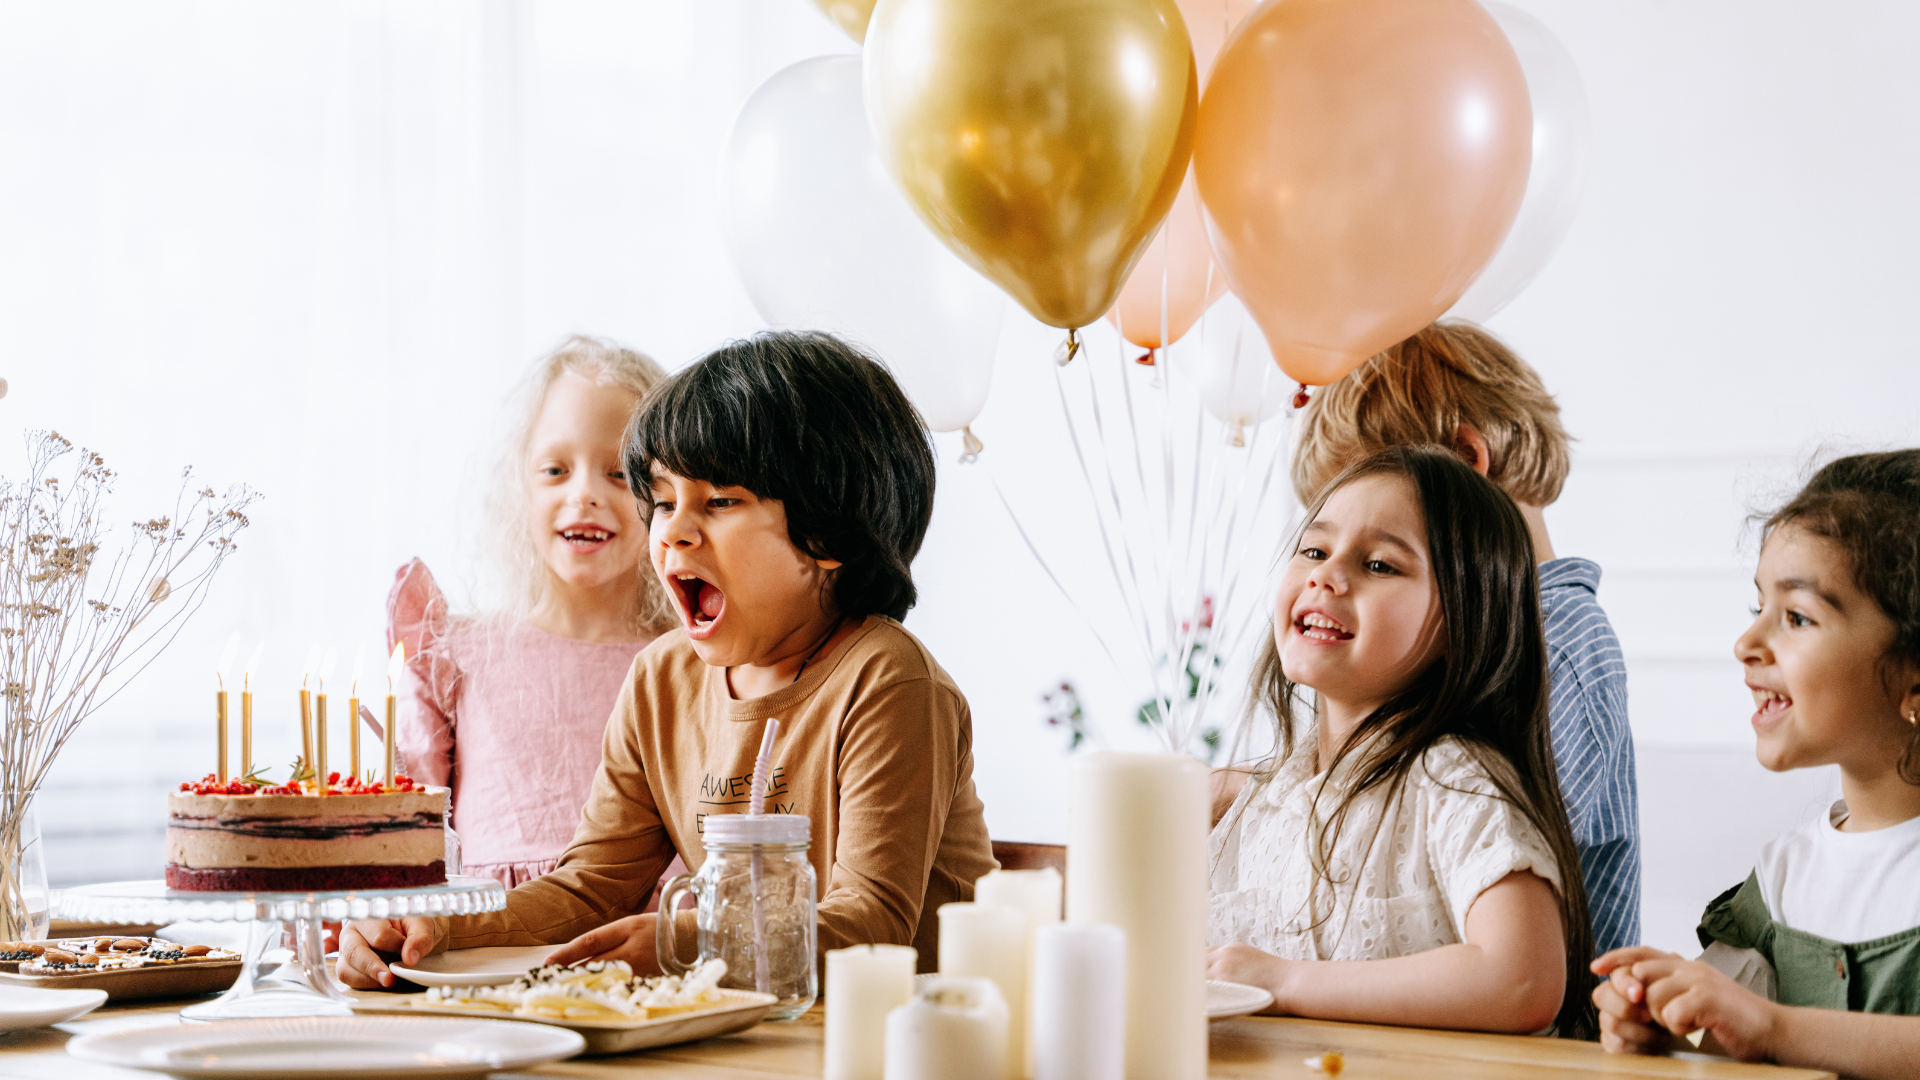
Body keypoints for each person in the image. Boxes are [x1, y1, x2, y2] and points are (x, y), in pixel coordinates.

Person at [338, 330, 996, 987]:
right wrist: (435, 928)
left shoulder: (886, 680)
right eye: (662, 500)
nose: (673, 530)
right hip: (742, 1035)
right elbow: (589, 888)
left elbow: (869, 928)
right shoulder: (662, 678)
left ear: (827, 534)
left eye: (719, 502)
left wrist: (693, 942)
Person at [1207, 446, 1595, 1037]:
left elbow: (1522, 980)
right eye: (1314, 549)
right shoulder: (1253, 803)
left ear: (1464, 620)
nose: (1325, 574)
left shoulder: (1454, 778)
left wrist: (1286, 983)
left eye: (1380, 565)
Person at [1291, 322, 1638, 958]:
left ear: (1465, 465)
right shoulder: (1430, 640)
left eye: (1377, 551)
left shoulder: (1556, 644)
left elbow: (1479, 835)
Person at [1593, 450, 1920, 1078]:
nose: (1746, 644)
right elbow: (1722, 1039)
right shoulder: (1782, 880)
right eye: (1757, 608)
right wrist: (1659, 1019)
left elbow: (1762, 1030)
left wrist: (1773, 1029)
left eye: (1797, 617)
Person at [385, 336, 675, 889]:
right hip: (490, 957)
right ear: (518, 485)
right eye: (555, 470)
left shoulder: (693, 661)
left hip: (653, 960)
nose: (585, 493)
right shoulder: (454, 654)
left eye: (619, 473)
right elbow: (403, 843)